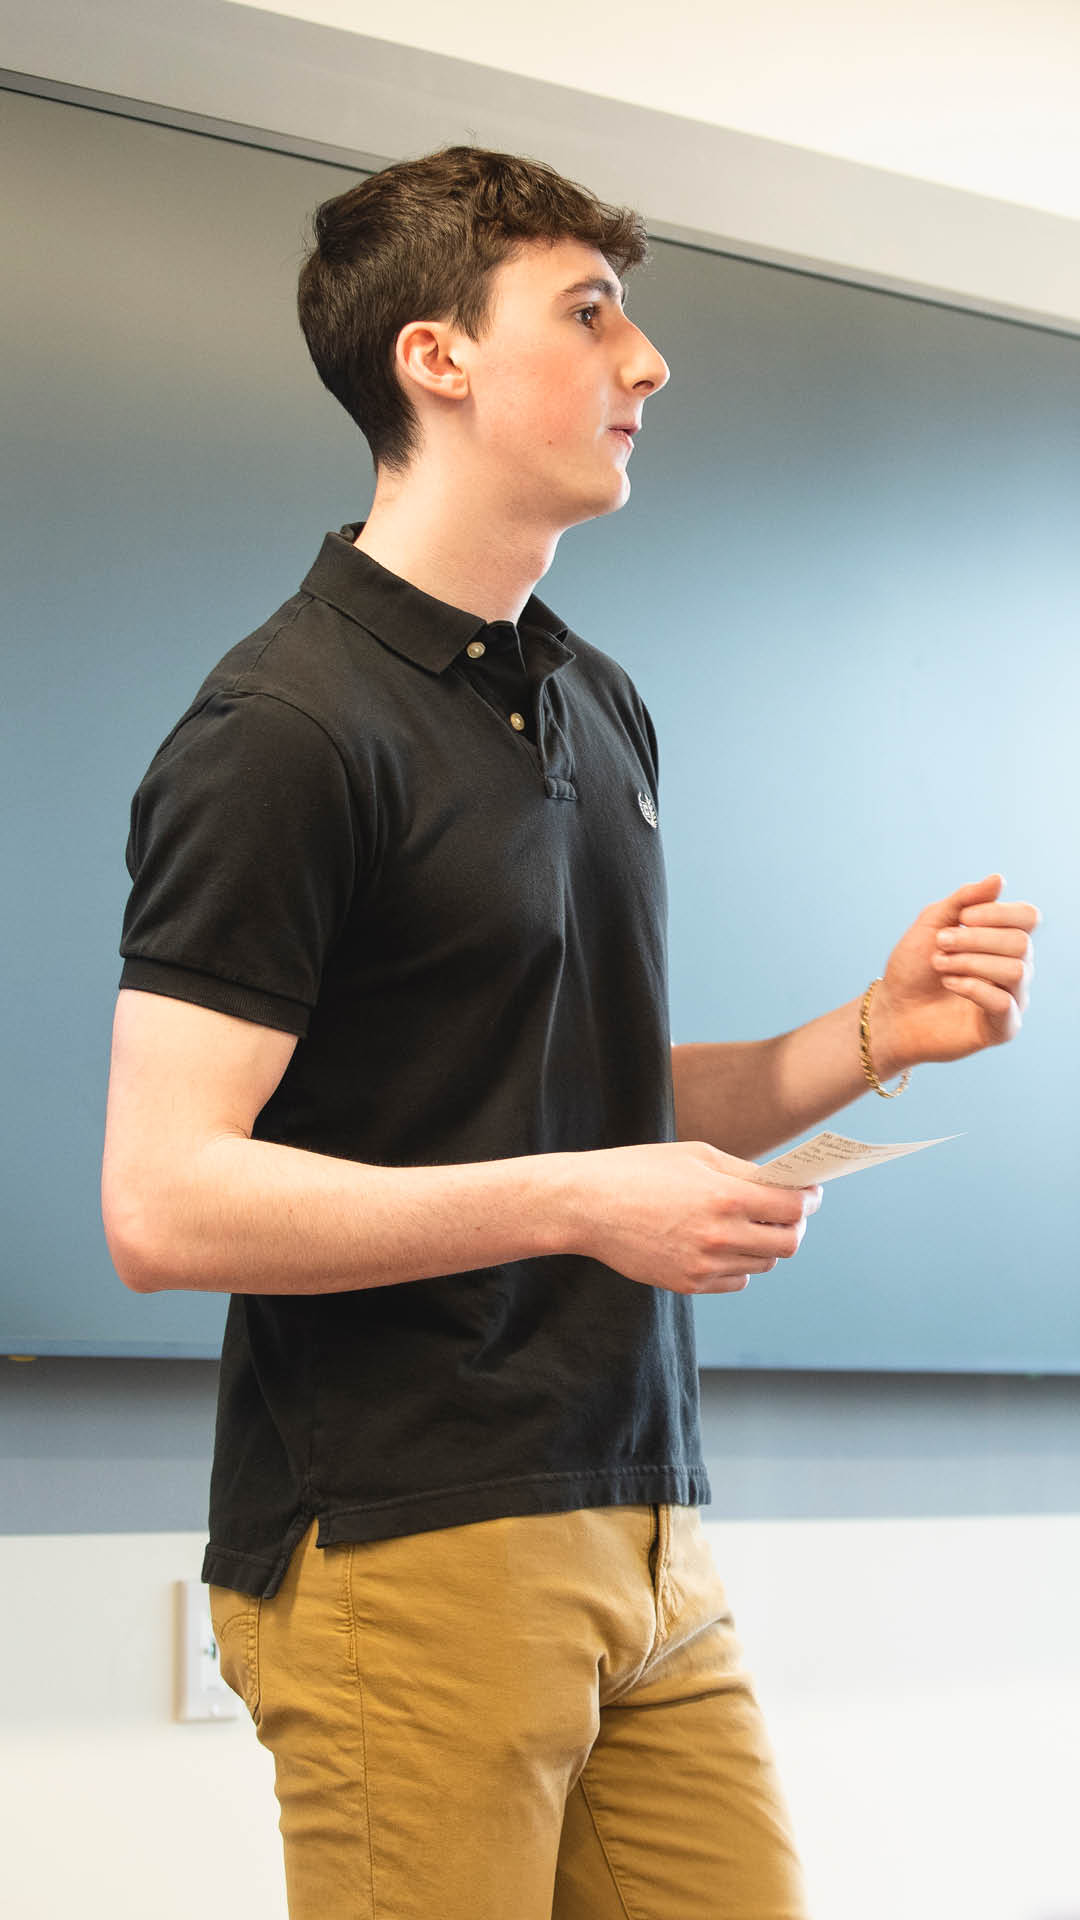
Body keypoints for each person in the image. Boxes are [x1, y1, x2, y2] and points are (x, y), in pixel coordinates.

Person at [101, 144, 1039, 1920]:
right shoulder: (281, 731)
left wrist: (868, 1033)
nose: (650, 365)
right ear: (433, 361)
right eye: (591, 313)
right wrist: (584, 1203)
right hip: (409, 1532)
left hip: (646, 1515)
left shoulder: (594, 703)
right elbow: (166, 1203)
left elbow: (579, 1100)